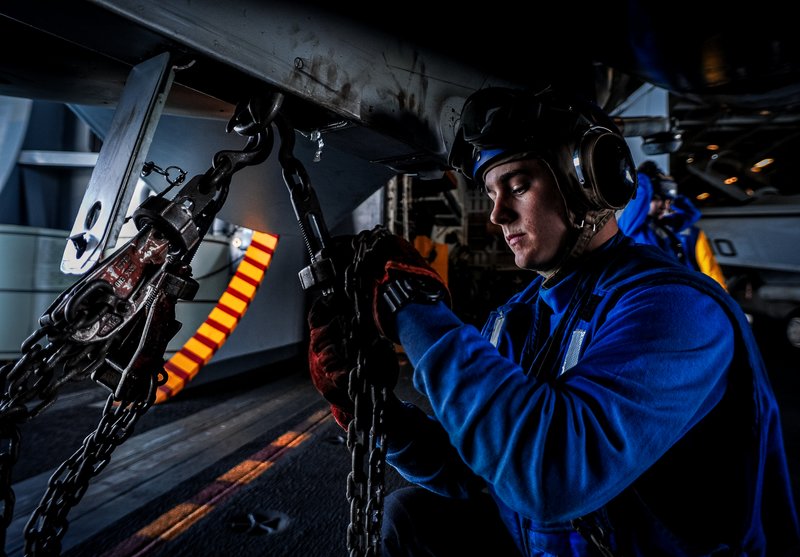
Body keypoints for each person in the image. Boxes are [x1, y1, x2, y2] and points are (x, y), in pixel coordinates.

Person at [307, 86, 799, 556]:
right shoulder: (516, 316)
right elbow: (475, 468)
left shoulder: (676, 311)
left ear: (591, 182)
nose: (497, 214)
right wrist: (377, 418)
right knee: (411, 517)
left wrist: (407, 303)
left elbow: (550, 473)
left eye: (517, 185)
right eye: (491, 192)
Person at [619, 161, 728, 290]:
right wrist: (643, 177)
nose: (665, 206)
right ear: (648, 199)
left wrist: (671, 194)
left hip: (684, 287)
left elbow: (692, 213)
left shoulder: (665, 225)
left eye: (667, 201)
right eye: (658, 199)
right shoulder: (631, 227)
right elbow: (641, 195)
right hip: (660, 291)